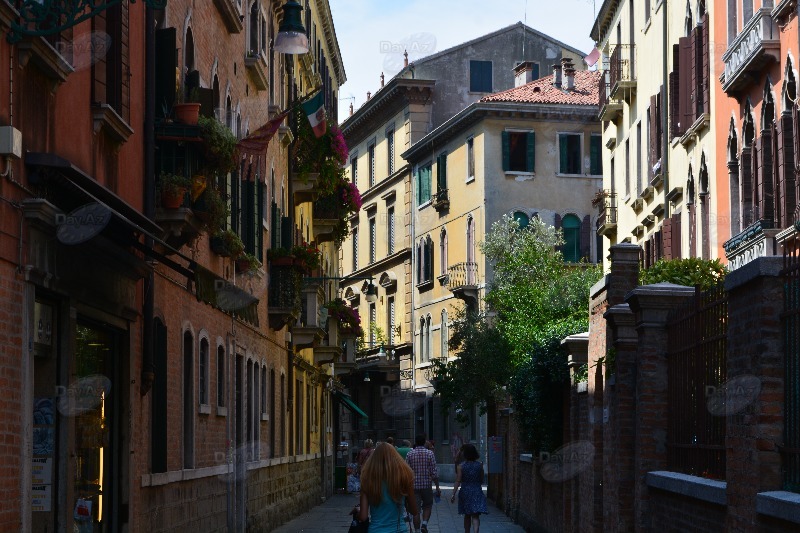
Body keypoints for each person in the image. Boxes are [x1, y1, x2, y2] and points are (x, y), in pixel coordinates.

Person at [353, 443, 419, 532]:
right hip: (399, 530)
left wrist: (358, 511)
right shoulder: (404, 478)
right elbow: (414, 511)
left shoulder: (367, 480)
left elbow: (363, 517)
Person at [406, 434, 440, 533]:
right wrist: (437, 486)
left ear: (415, 442)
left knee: (415, 510)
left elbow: (406, 470)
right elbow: (434, 472)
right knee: (427, 505)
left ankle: (417, 530)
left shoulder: (410, 454)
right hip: (426, 485)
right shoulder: (430, 454)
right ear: (424, 442)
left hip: (413, 486)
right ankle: (424, 524)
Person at [450, 444, 488, 533]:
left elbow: (458, 480)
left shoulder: (461, 466)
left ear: (465, 454)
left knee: (467, 515)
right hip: (476, 490)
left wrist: (453, 494)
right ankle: (476, 531)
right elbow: (481, 479)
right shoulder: (479, 465)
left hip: (465, 491)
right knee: (475, 515)